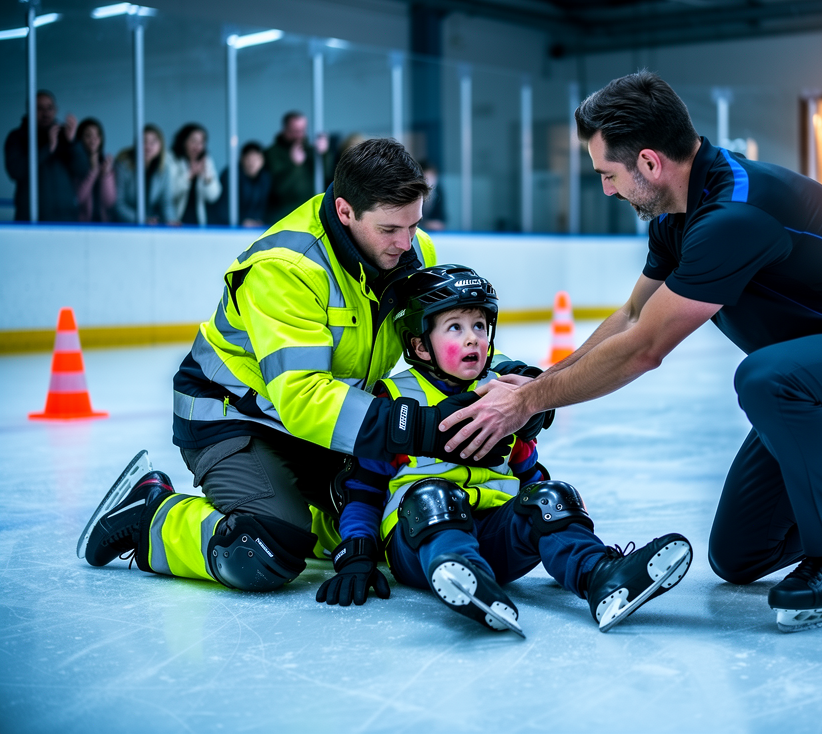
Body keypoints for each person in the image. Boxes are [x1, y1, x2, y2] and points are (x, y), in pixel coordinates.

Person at [439, 71, 822, 633]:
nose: (607, 191)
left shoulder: (733, 214)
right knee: (741, 553)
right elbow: (633, 316)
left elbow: (644, 348)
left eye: (608, 175)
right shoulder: (677, 218)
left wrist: (527, 404)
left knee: (764, 377)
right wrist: (540, 384)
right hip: (820, 387)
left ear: (649, 163)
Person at [78, 139, 519, 599]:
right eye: (390, 228)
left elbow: (440, 340)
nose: (406, 243)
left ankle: (314, 522)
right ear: (345, 211)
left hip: (324, 422)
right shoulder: (286, 267)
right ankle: (151, 514)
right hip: (233, 415)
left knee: (383, 513)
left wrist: (511, 382)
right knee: (263, 548)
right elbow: (304, 397)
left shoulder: (410, 250)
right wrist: (419, 427)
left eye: (414, 224)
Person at [326, 264, 692, 635]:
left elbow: (529, 472)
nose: (473, 339)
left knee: (551, 496)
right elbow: (365, 489)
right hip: (420, 544)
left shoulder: (506, 395)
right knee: (433, 498)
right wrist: (357, 553)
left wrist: (560, 524)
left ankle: (601, 576)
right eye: (455, 327)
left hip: (495, 538)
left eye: (479, 326)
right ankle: (462, 574)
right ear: (420, 344)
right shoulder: (396, 399)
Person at [4, 89, 89, 221]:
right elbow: (16, 171)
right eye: (39, 108)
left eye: (50, 108)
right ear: (29, 110)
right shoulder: (17, 137)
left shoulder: (65, 136)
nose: (46, 113)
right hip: (30, 220)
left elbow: (83, 170)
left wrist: (72, 142)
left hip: (66, 219)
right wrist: (47, 149)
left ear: (56, 110)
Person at [264, 111, 329, 223]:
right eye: (295, 131)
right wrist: (293, 165)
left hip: (310, 213)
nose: (299, 135)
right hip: (282, 215)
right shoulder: (272, 153)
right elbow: (276, 189)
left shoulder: (311, 151)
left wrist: (324, 154)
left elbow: (327, 176)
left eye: (302, 130)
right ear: (285, 129)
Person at [113, 124, 176, 224]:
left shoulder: (164, 169)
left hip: (151, 223)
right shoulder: (123, 166)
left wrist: (171, 221)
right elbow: (118, 204)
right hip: (125, 223)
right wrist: (142, 220)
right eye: (144, 141)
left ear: (161, 145)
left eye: (153, 141)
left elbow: (166, 203)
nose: (148, 145)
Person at [169, 123, 221, 226]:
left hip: (198, 222)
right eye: (193, 141)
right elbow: (169, 193)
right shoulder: (171, 159)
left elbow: (213, 196)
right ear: (183, 141)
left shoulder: (206, 161)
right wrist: (189, 175)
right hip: (174, 222)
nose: (197, 146)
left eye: (201, 142)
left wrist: (207, 177)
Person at [211, 141, 271, 227]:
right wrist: (241, 221)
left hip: (255, 227)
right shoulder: (230, 176)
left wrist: (258, 221)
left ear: (263, 161)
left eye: (256, 159)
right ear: (242, 159)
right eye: (249, 159)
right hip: (227, 227)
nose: (252, 163)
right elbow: (223, 207)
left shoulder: (265, 178)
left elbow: (263, 206)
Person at [74, 117, 117, 223]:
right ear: (80, 138)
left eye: (97, 135)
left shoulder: (106, 164)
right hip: (80, 225)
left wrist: (105, 175)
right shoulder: (74, 163)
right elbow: (77, 199)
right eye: (88, 135)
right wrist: (93, 172)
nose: (93, 139)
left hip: (104, 225)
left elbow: (109, 202)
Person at [418, 160, 446, 231]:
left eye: (432, 176)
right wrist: (425, 224)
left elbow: (441, 216)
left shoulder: (438, 192)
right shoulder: (412, 194)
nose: (429, 181)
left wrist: (438, 223)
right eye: (426, 177)